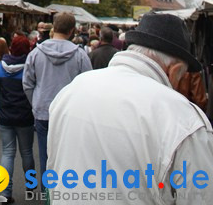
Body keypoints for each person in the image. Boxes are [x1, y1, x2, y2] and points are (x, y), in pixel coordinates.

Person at [46, 12, 213, 203]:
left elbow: (54, 167)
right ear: (174, 70)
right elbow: (201, 197)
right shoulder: (183, 119)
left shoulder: (72, 89)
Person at [22, 11, 91, 177]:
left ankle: (47, 195)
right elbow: (88, 86)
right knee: (68, 157)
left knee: (45, 155)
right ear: (72, 31)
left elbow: (27, 83)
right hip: (70, 113)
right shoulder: (80, 55)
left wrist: (36, 102)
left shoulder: (36, 54)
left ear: (54, 27)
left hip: (43, 110)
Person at [0, 35, 35, 204]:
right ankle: (31, 187)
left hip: (5, 116)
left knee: (7, 153)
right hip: (25, 116)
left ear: (11, 47)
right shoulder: (29, 68)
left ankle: (5, 192)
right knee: (27, 153)